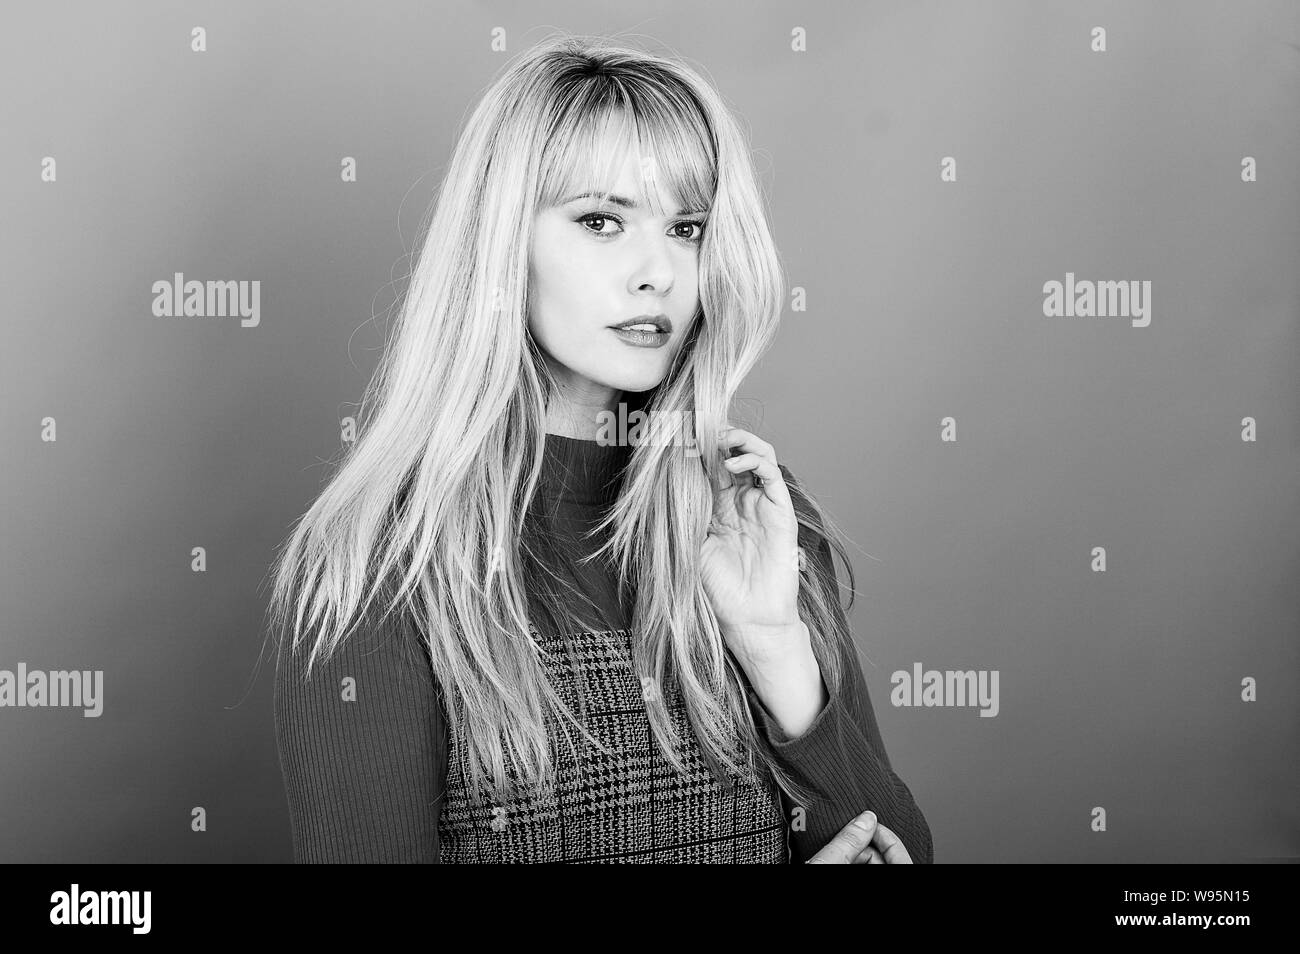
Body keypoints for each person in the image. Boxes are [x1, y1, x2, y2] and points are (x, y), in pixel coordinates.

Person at [267, 33, 933, 864]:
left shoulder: (748, 509)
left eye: (687, 228)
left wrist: (774, 646)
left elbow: (895, 851)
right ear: (503, 243)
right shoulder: (382, 567)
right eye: (601, 221)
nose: (656, 270)